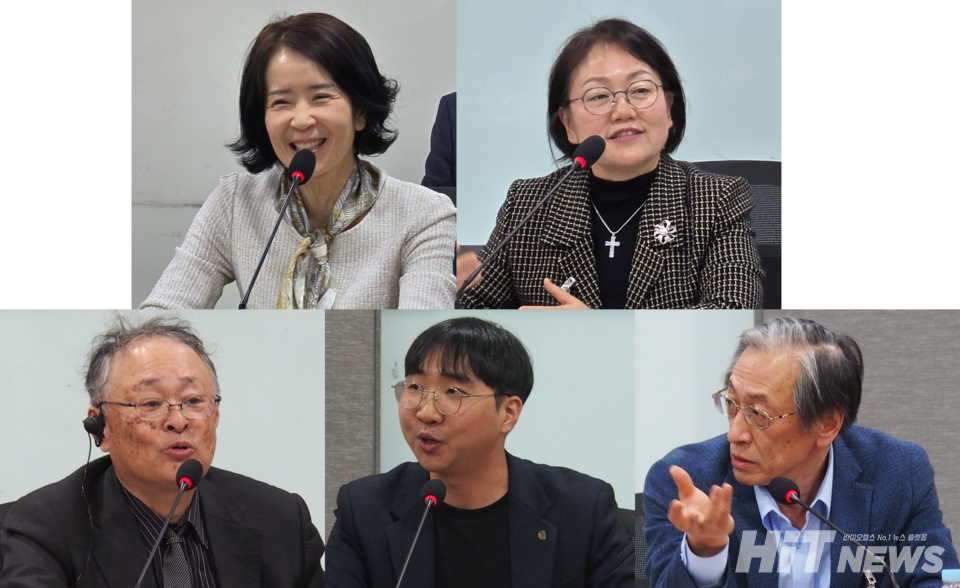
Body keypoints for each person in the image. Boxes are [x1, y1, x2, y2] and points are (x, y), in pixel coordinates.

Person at [142, 13, 456, 309]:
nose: (302, 120)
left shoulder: (423, 214)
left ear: (360, 111)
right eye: (281, 102)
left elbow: (425, 333)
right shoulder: (234, 203)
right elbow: (163, 315)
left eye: (321, 97)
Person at [458, 18, 762, 309]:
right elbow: (479, 307)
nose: (623, 111)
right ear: (568, 123)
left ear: (670, 108)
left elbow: (733, 306)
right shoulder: (527, 204)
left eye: (641, 90)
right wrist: (455, 293)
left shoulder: (717, 198)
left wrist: (592, 326)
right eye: (599, 96)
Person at [0, 317, 324, 587]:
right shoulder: (44, 526)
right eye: (151, 404)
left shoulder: (281, 519)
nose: (178, 421)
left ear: (216, 415)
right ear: (100, 427)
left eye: (194, 401)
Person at [643, 317, 959, 587]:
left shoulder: (899, 471)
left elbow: (941, 575)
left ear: (827, 424)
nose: (735, 434)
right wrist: (704, 551)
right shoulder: (686, 482)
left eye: (759, 415)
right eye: (732, 405)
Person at [326, 317, 633, 587]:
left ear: (508, 413)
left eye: (453, 392)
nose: (426, 412)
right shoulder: (365, 510)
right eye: (415, 387)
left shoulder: (582, 509)